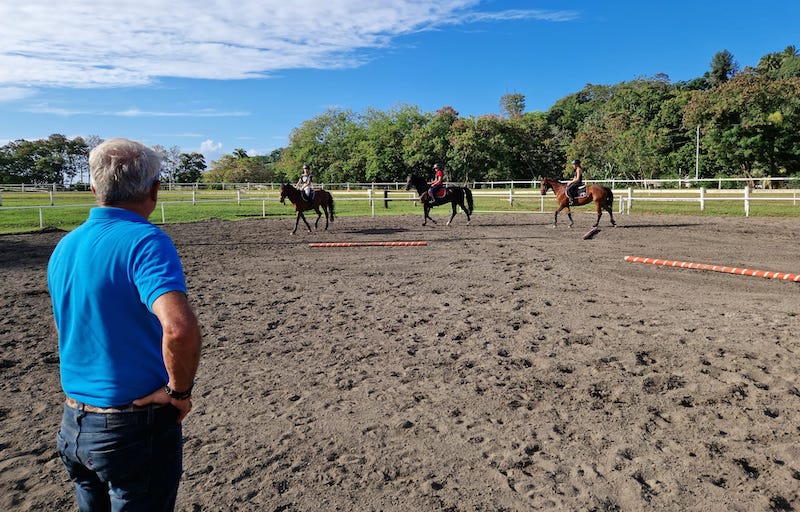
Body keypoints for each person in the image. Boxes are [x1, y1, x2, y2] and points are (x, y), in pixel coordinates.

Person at [48, 138, 202, 512]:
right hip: (132, 429)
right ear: (155, 190)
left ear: (94, 188)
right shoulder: (145, 241)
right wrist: (179, 393)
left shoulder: (65, 246)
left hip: (74, 425)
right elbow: (179, 329)